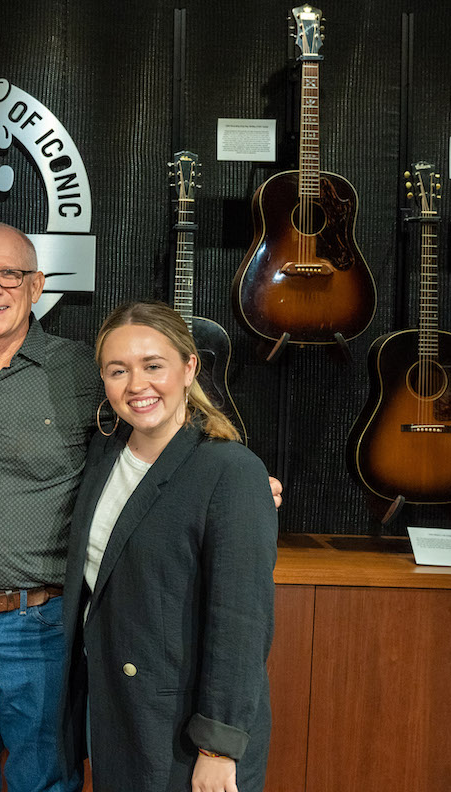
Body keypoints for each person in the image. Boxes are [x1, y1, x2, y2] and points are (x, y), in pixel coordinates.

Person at [0, 223, 281, 792]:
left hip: (39, 625)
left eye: (9, 274)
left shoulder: (81, 371)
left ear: (35, 286)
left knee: (45, 782)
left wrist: (244, 485)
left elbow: (238, 617)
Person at [59, 300, 277, 792]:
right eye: (119, 370)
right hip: (120, 715)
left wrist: (218, 748)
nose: (137, 385)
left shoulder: (232, 471)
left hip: (185, 731)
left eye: (153, 366)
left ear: (188, 366)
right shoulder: (103, 454)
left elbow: (241, 624)